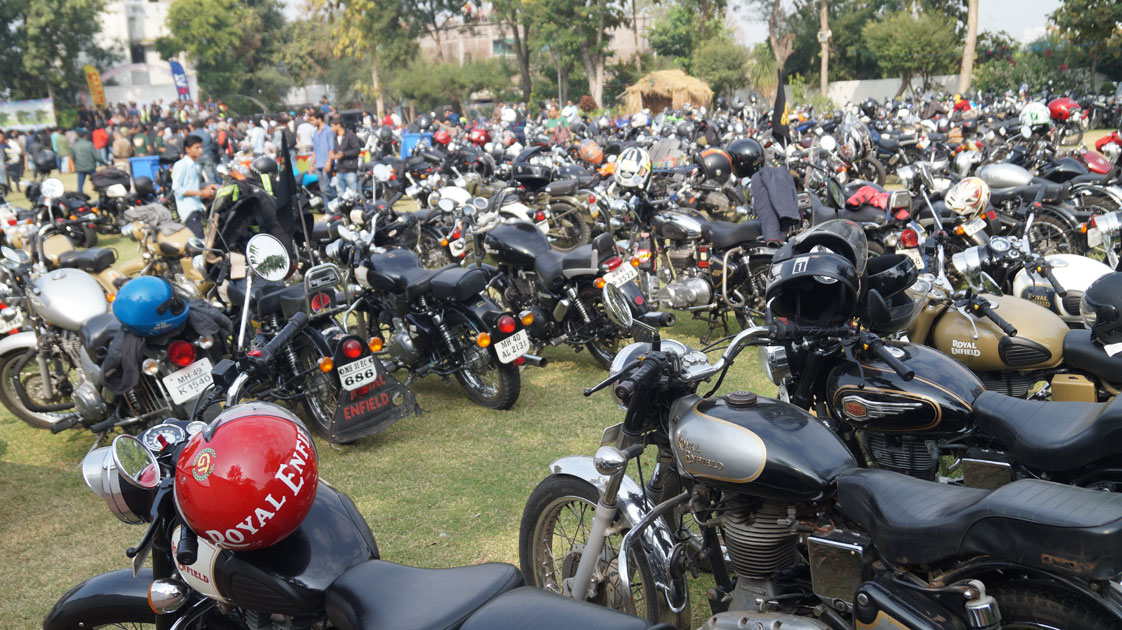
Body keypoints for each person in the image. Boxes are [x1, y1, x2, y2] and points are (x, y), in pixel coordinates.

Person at [173, 134, 218, 238]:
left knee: (204, 239)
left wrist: (207, 187)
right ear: (187, 149)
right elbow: (177, 189)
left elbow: (193, 186)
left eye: (201, 147)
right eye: (197, 148)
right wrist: (202, 193)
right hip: (187, 208)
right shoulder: (181, 165)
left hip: (196, 206)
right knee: (199, 241)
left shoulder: (196, 165)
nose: (200, 150)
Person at [330, 118, 361, 197]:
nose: (331, 129)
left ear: (338, 125)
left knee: (353, 194)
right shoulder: (334, 138)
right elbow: (335, 150)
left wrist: (344, 154)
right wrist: (333, 155)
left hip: (350, 170)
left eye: (332, 126)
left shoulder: (350, 136)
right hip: (339, 170)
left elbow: (357, 150)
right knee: (341, 195)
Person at [311, 111, 335, 202]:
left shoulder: (329, 131)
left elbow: (331, 149)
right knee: (322, 190)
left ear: (319, 119)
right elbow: (315, 150)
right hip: (318, 164)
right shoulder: (315, 133)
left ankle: (339, 200)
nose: (312, 123)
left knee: (326, 188)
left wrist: (329, 162)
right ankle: (328, 211)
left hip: (326, 163)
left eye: (313, 120)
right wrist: (311, 165)